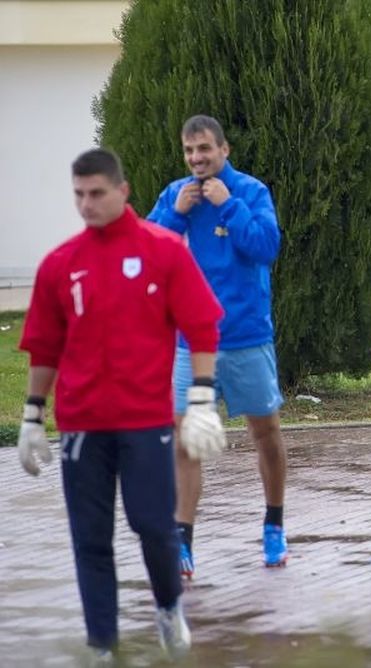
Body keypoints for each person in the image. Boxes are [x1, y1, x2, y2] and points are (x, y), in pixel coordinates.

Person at [17, 148, 225, 661]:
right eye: (79, 195)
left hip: (144, 422)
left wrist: (200, 399)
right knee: (90, 539)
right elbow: (44, 346)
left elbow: (202, 325)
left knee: (154, 527)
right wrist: (31, 416)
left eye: (96, 194)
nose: (86, 204)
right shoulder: (61, 265)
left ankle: (168, 606)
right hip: (82, 425)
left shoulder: (165, 250)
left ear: (122, 191)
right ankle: (101, 645)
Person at [148, 115, 287, 576]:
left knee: (265, 434)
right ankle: (182, 539)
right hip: (190, 343)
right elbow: (146, 253)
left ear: (224, 150)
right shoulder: (175, 196)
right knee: (186, 441)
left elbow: (266, 247)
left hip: (246, 337)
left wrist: (229, 206)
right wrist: (174, 214)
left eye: (204, 149)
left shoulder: (249, 192)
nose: (196, 159)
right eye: (189, 151)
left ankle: (273, 524)